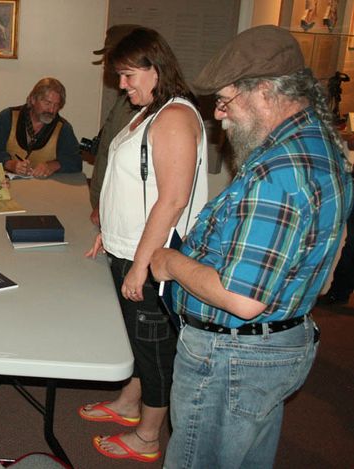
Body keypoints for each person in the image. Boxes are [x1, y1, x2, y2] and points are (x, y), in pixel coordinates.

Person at [150, 25, 353, 468]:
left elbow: (242, 299)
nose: (219, 115)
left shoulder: (276, 173)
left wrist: (169, 261)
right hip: (276, 347)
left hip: (232, 358)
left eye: (224, 100)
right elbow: (327, 275)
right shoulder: (321, 146)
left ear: (263, 91)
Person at [80, 27, 209, 463]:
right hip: (131, 246)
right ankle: (128, 403)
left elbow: (172, 199)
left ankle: (149, 436)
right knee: (136, 339)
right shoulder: (148, 111)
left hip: (153, 258)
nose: (122, 85)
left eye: (128, 75)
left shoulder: (174, 117)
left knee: (154, 348)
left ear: (155, 69)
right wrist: (110, 228)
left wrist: (139, 265)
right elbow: (136, 185)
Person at [88, 24, 141, 226]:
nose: (106, 62)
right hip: (104, 202)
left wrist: (106, 206)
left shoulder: (138, 102)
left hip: (115, 209)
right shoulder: (125, 97)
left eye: (110, 54)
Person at [0, 77, 82, 178]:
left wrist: (52, 165)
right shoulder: (8, 117)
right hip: (9, 184)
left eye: (56, 105)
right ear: (32, 99)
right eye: (47, 103)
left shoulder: (63, 128)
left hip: (46, 188)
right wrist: (10, 164)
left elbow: (76, 162)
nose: (51, 110)